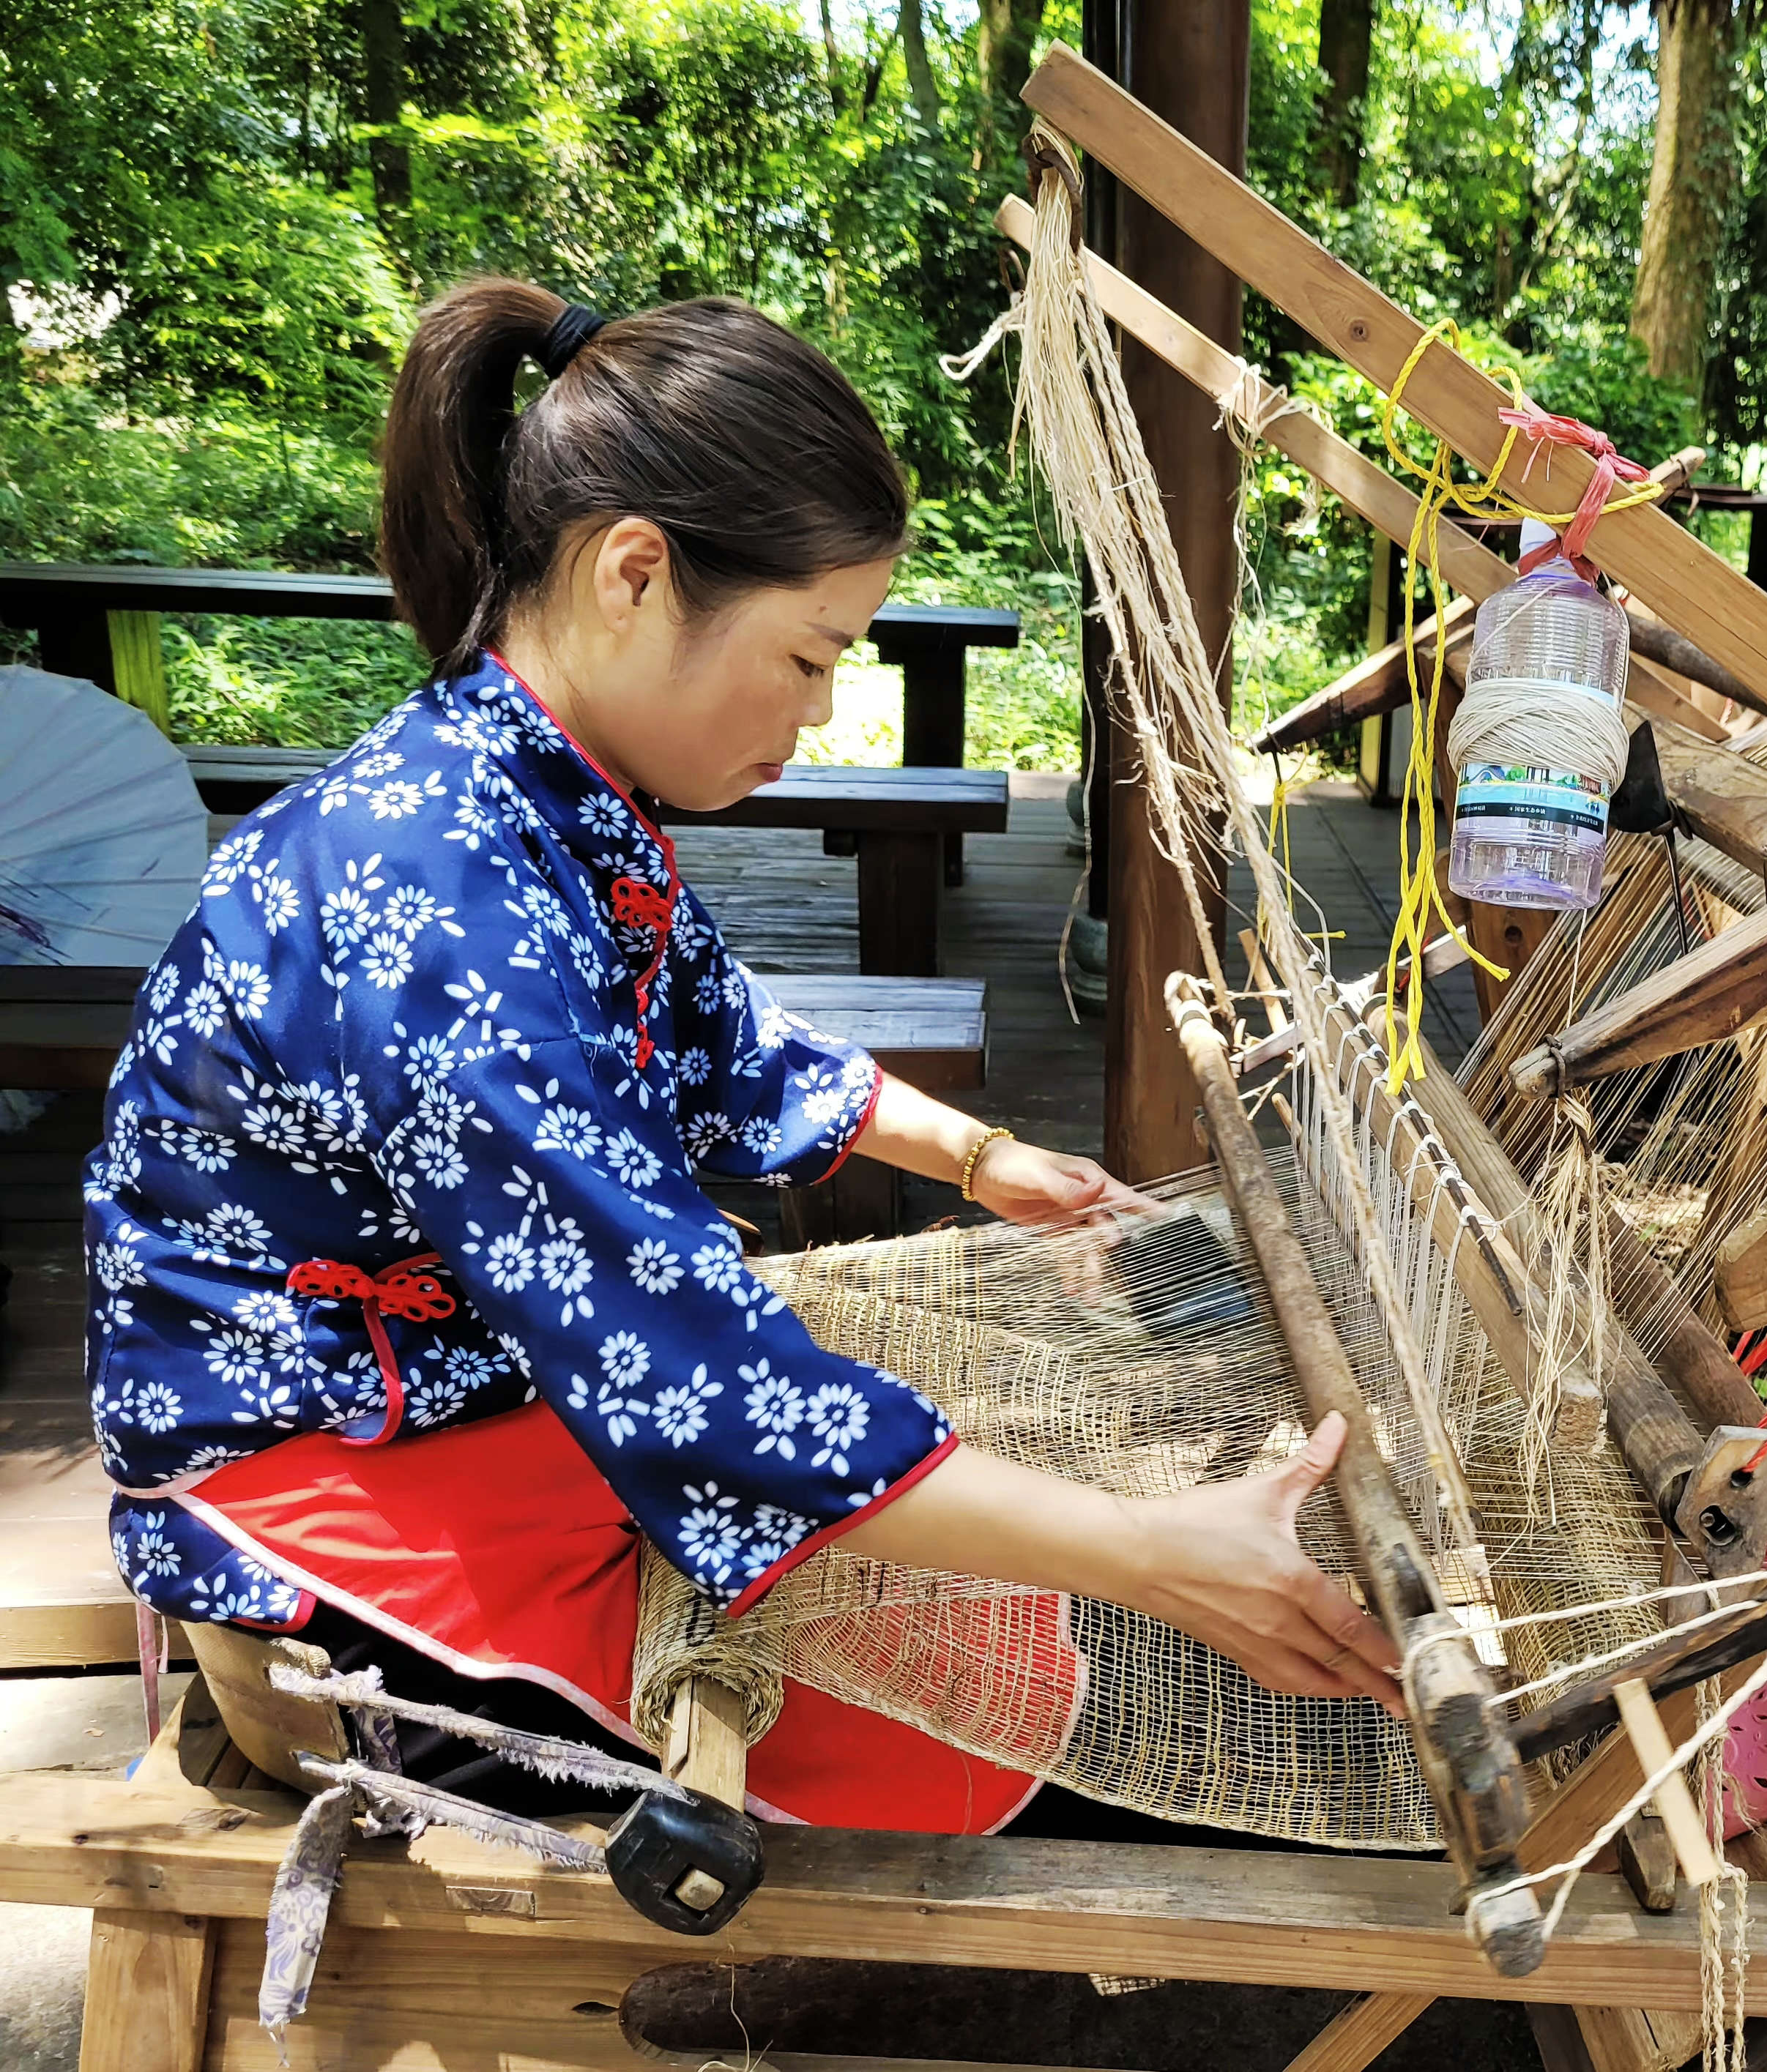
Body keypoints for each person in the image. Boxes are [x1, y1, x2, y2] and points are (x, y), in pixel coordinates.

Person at [82, 280, 1399, 1833]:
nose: (819, 711)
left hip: (447, 1403)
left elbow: (718, 1037)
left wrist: (983, 1160)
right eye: (807, 654)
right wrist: (1154, 1549)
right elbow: (687, 1382)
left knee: (1004, 1535)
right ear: (634, 571)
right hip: (337, 1531)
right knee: (1038, 1679)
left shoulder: (533, 788)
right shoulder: (438, 888)